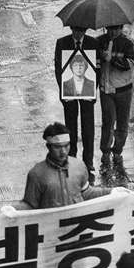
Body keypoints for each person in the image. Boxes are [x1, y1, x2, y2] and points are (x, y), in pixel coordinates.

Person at [18, 122, 108, 268]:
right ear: (48, 147)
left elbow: (86, 193)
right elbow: (30, 205)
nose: (63, 151)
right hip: (51, 239)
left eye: (67, 146)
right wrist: (11, 211)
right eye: (58, 147)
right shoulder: (37, 174)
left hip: (78, 233)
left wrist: (112, 192)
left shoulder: (79, 166)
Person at [54, 27, 99, 184]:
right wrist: (63, 90)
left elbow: (97, 68)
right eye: (75, 30)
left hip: (87, 92)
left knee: (88, 128)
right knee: (70, 127)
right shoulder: (61, 43)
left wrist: (93, 91)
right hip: (69, 92)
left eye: (81, 31)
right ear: (71, 29)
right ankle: (71, 159)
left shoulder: (93, 43)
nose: (78, 34)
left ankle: (88, 162)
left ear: (85, 30)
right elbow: (58, 68)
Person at [98, 25, 134, 166]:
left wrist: (112, 60)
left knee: (122, 123)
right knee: (107, 122)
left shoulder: (129, 43)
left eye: (116, 29)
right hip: (106, 89)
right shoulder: (99, 41)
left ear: (121, 28)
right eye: (109, 29)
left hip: (123, 90)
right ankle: (105, 151)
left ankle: (118, 150)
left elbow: (129, 64)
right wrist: (101, 58)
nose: (112, 32)